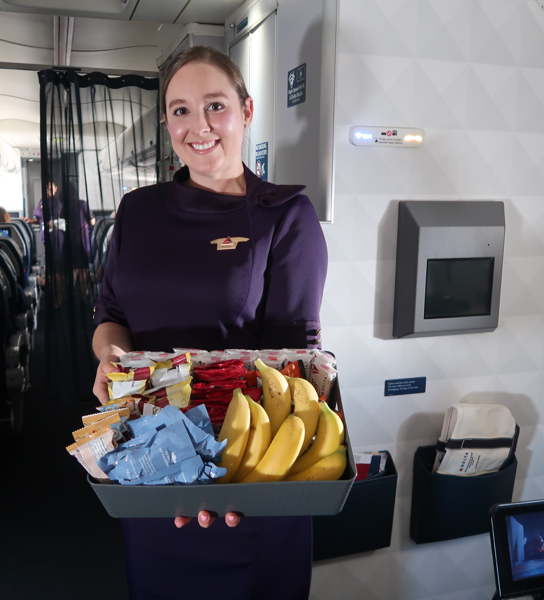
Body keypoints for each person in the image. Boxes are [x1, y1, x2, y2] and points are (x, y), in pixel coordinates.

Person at [91, 46, 327, 600]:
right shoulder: (137, 211)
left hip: (248, 481)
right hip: (152, 464)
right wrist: (109, 357)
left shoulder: (285, 216)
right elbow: (112, 316)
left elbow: (293, 366)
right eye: (180, 110)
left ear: (246, 111)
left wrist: (229, 484)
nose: (198, 127)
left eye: (215, 106)